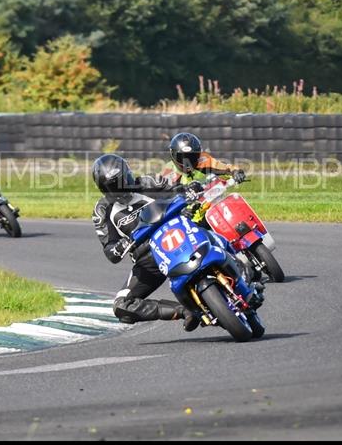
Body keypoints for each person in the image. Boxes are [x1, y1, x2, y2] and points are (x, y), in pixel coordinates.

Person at [91, 153, 202, 329]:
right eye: (111, 186)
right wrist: (119, 246)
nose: (117, 189)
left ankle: (246, 263)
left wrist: (190, 189)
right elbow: (110, 251)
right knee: (122, 306)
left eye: (119, 182)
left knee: (206, 221)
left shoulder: (147, 182)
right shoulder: (102, 210)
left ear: (127, 174)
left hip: (177, 235)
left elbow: (176, 188)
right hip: (148, 258)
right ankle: (184, 311)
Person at [163, 132, 246, 186]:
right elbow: (165, 198)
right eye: (182, 157)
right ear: (172, 155)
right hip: (187, 211)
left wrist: (236, 172)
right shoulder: (169, 171)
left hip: (211, 203)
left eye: (192, 156)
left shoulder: (204, 160)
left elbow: (226, 168)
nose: (187, 161)